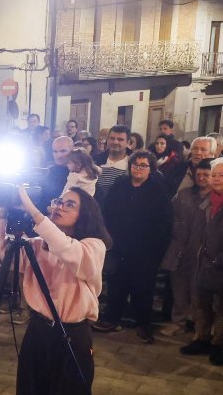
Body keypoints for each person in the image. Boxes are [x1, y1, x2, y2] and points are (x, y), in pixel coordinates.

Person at [0, 185, 111, 395]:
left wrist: (34, 212)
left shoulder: (93, 246)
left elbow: (72, 255)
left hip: (73, 333)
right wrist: (3, 211)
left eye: (68, 204)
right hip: (40, 330)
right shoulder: (37, 244)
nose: (59, 207)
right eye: (58, 201)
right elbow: (0, 253)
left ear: (84, 213)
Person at [95, 150, 173, 343]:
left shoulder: (158, 190)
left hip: (146, 250)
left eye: (143, 165)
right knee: (117, 284)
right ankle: (112, 319)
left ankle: (143, 324)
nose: (138, 168)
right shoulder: (120, 185)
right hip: (120, 246)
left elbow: (164, 223)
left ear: (151, 169)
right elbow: (108, 212)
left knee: (143, 288)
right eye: (135, 164)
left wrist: (156, 249)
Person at [180, 159, 223, 364]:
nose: (216, 179)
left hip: (219, 263)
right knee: (201, 303)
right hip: (202, 260)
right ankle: (201, 338)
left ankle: (219, 344)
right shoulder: (206, 200)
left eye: (221, 175)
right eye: (214, 175)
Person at [164, 159, 213, 337]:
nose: (201, 178)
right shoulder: (183, 195)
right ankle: (178, 321)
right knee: (179, 288)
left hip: (203, 252)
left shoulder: (216, 198)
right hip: (180, 249)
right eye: (198, 174)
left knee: (198, 291)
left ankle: (199, 327)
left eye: (206, 175)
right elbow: (170, 218)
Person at [94, 125, 130, 201]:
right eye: (112, 138)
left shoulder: (133, 163)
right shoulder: (96, 160)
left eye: (120, 139)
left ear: (128, 142)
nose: (115, 142)